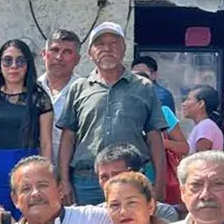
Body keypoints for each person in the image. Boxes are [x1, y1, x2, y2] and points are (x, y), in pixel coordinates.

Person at [57, 22, 168, 205]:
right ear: (90, 53)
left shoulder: (143, 87)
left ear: (124, 49)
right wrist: (64, 181)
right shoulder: (79, 88)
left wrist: (160, 183)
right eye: (100, 44)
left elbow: (154, 137)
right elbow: (68, 138)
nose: (107, 49)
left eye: (113, 43)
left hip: (132, 177)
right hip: (87, 181)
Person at [0, 39, 55, 215]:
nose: (14, 66)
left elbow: (47, 143)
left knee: (30, 218)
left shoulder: (39, 99)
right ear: (0, 65)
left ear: (28, 65)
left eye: (20, 61)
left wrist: (48, 175)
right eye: (7, 61)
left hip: (30, 165)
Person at [95, 144, 179, 222]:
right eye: (104, 177)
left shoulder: (163, 213)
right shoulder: (95, 217)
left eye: (117, 175)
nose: (110, 182)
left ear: (137, 174)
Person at [39, 30, 81, 163]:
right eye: (54, 50)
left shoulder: (84, 91)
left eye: (67, 52)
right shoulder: (31, 90)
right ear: (44, 54)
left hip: (72, 173)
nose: (59, 57)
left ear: (77, 59)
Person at [180, 85, 224, 154]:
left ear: (201, 104)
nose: (184, 104)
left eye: (188, 99)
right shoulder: (203, 125)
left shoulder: (206, 126)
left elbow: (201, 158)